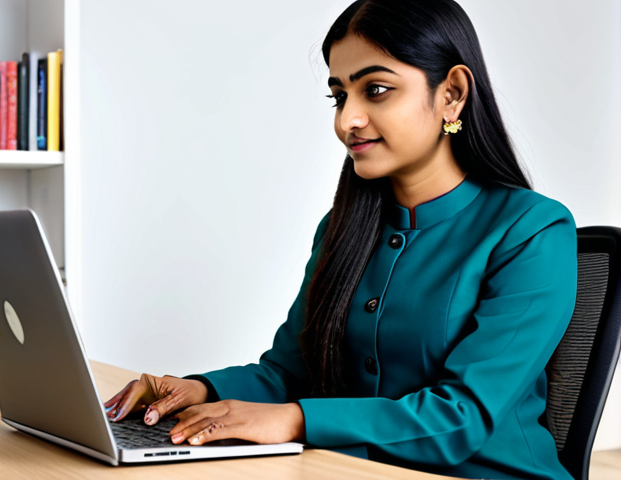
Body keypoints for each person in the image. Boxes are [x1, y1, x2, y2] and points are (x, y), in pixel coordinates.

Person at [104, 1, 578, 478]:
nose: (346, 120)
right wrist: (200, 389)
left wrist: (295, 419)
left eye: (376, 90)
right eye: (339, 96)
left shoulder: (532, 231)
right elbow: (290, 373)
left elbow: (463, 416)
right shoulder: (342, 227)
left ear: (451, 93)